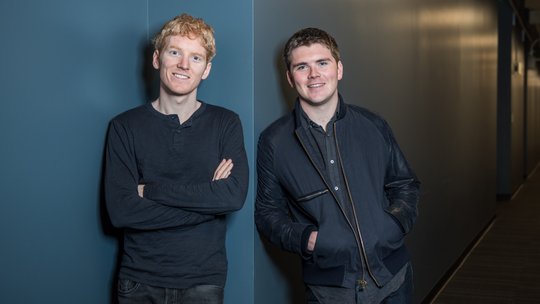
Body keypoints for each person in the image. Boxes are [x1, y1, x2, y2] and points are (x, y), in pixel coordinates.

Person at [255, 27, 420, 304]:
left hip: (395, 280)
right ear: (289, 77)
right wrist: (309, 239)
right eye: (302, 67)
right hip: (329, 290)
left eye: (322, 63)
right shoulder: (274, 141)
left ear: (339, 69)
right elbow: (268, 214)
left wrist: (391, 225)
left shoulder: (373, 125)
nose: (314, 74)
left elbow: (405, 184)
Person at [104, 13, 248, 304]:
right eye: (175, 52)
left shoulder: (226, 123)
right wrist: (209, 202)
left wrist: (151, 191)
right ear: (157, 59)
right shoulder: (124, 126)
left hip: (204, 282)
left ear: (206, 69)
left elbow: (232, 198)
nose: (184, 65)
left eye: (196, 58)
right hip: (139, 280)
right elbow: (122, 212)